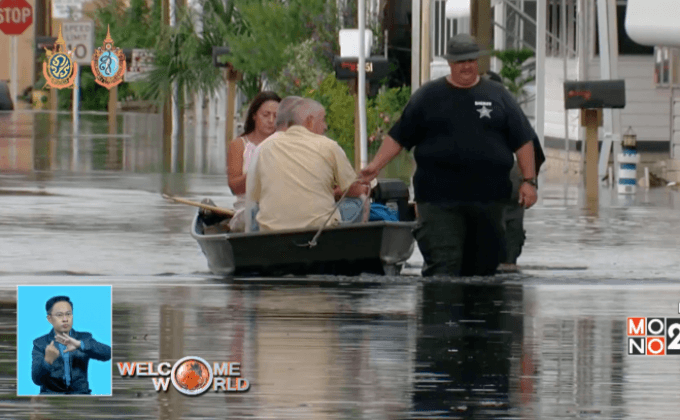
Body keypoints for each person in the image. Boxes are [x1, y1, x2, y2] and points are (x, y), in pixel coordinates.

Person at [360, 34, 539, 277]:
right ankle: (440, 311)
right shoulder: (428, 97)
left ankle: (480, 314)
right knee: (444, 265)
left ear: (477, 61)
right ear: (450, 63)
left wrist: (529, 181)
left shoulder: (499, 95)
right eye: (460, 61)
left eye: (471, 60)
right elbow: (399, 137)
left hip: (489, 200)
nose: (466, 66)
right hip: (438, 200)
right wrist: (375, 166)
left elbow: (523, 140)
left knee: (484, 270)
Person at [246, 98, 369, 232]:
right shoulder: (329, 146)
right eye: (323, 120)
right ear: (310, 121)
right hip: (318, 232)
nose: (325, 126)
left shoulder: (265, 147)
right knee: (358, 201)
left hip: (272, 233)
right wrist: (359, 190)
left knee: (258, 209)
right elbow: (354, 189)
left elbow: (256, 196)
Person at [485, 70, 546, 270]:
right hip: (511, 174)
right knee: (509, 228)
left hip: (492, 175)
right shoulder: (512, 111)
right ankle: (507, 263)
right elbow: (534, 146)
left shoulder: (465, 109)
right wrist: (530, 181)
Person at [31, 296, 111, 394]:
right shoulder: (40, 343)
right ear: (50, 318)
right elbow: (36, 380)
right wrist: (47, 360)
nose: (65, 319)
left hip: (80, 396)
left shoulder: (84, 338)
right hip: (51, 397)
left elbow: (108, 353)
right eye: (59, 315)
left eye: (68, 314)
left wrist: (80, 344)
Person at [227, 91, 281, 231]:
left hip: (280, 209)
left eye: (276, 116)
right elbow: (234, 187)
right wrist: (258, 172)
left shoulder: (285, 145)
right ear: (254, 116)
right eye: (265, 115)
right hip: (247, 209)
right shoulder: (239, 145)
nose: (270, 120)